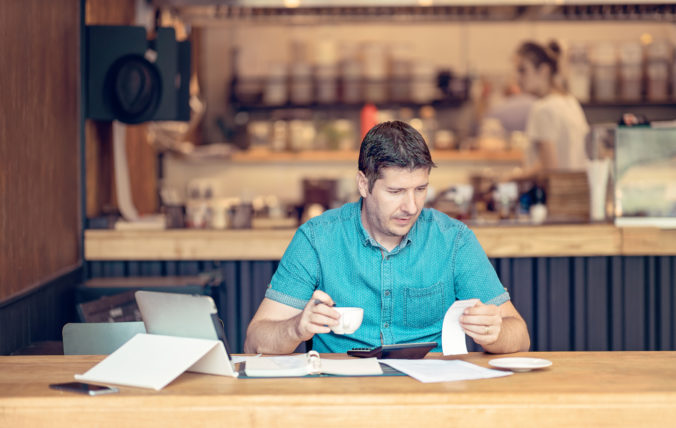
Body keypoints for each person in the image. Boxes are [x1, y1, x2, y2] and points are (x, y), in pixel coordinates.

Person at [244, 121, 530, 355]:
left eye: (420, 189)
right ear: (363, 184)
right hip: (341, 398)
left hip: (431, 398)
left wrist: (496, 334)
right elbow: (255, 341)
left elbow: (519, 334)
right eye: (395, 192)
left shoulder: (453, 240)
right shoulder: (317, 239)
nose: (412, 207)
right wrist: (296, 327)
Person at [516, 41, 590, 172]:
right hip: (578, 189)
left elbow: (549, 169)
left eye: (522, 70)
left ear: (544, 70)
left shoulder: (543, 109)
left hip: (554, 191)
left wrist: (512, 177)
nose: (518, 78)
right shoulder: (570, 102)